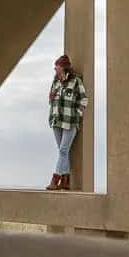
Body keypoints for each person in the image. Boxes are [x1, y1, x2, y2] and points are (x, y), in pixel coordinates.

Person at [45, 54, 88, 191]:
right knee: (63, 152)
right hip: (57, 121)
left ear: (63, 67)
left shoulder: (76, 81)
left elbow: (84, 100)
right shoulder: (55, 82)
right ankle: (65, 181)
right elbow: (51, 98)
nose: (54, 68)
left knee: (63, 150)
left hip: (70, 122)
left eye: (56, 66)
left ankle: (55, 179)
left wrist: (78, 114)